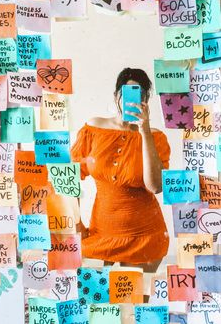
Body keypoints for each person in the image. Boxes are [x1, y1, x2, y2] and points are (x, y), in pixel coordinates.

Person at [71, 67, 170, 274]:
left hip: (145, 239)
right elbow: (68, 177)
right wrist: (76, 225)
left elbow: (155, 186)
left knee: (134, 305)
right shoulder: (94, 128)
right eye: (125, 92)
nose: (131, 99)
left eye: (138, 93)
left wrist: (144, 130)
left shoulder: (155, 137)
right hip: (100, 236)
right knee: (97, 303)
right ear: (116, 95)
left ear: (146, 100)